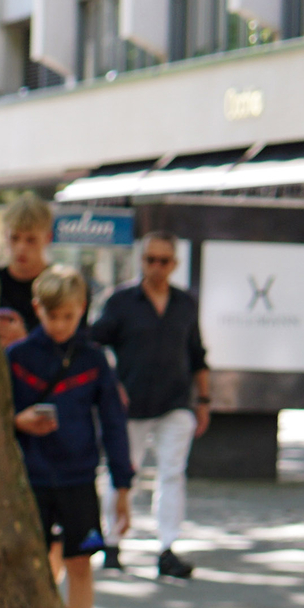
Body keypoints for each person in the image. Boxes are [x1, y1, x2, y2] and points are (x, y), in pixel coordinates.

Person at [9, 264, 133, 608]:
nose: (60, 324)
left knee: (80, 562)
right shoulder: (16, 357)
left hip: (79, 477)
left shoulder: (94, 360)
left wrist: (122, 485)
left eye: (68, 316)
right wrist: (18, 420)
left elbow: (113, 422)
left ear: (81, 309)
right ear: (37, 309)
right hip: (32, 477)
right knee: (36, 565)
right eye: (52, 315)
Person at [86, 232, 208, 580]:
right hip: (131, 404)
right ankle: (112, 543)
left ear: (174, 265)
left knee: (172, 473)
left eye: (163, 261)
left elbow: (197, 352)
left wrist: (203, 399)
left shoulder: (185, 303)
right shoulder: (121, 301)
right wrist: (111, 386)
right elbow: (95, 344)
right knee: (124, 474)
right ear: (141, 261)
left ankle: (167, 547)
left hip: (175, 402)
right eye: (150, 260)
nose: (156, 267)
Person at [0, 194, 53, 350]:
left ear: (48, 238)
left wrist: (23, 341)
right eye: (15, 238)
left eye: (30, 240)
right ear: (5, 236)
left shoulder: (63, 285)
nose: (21, 248)